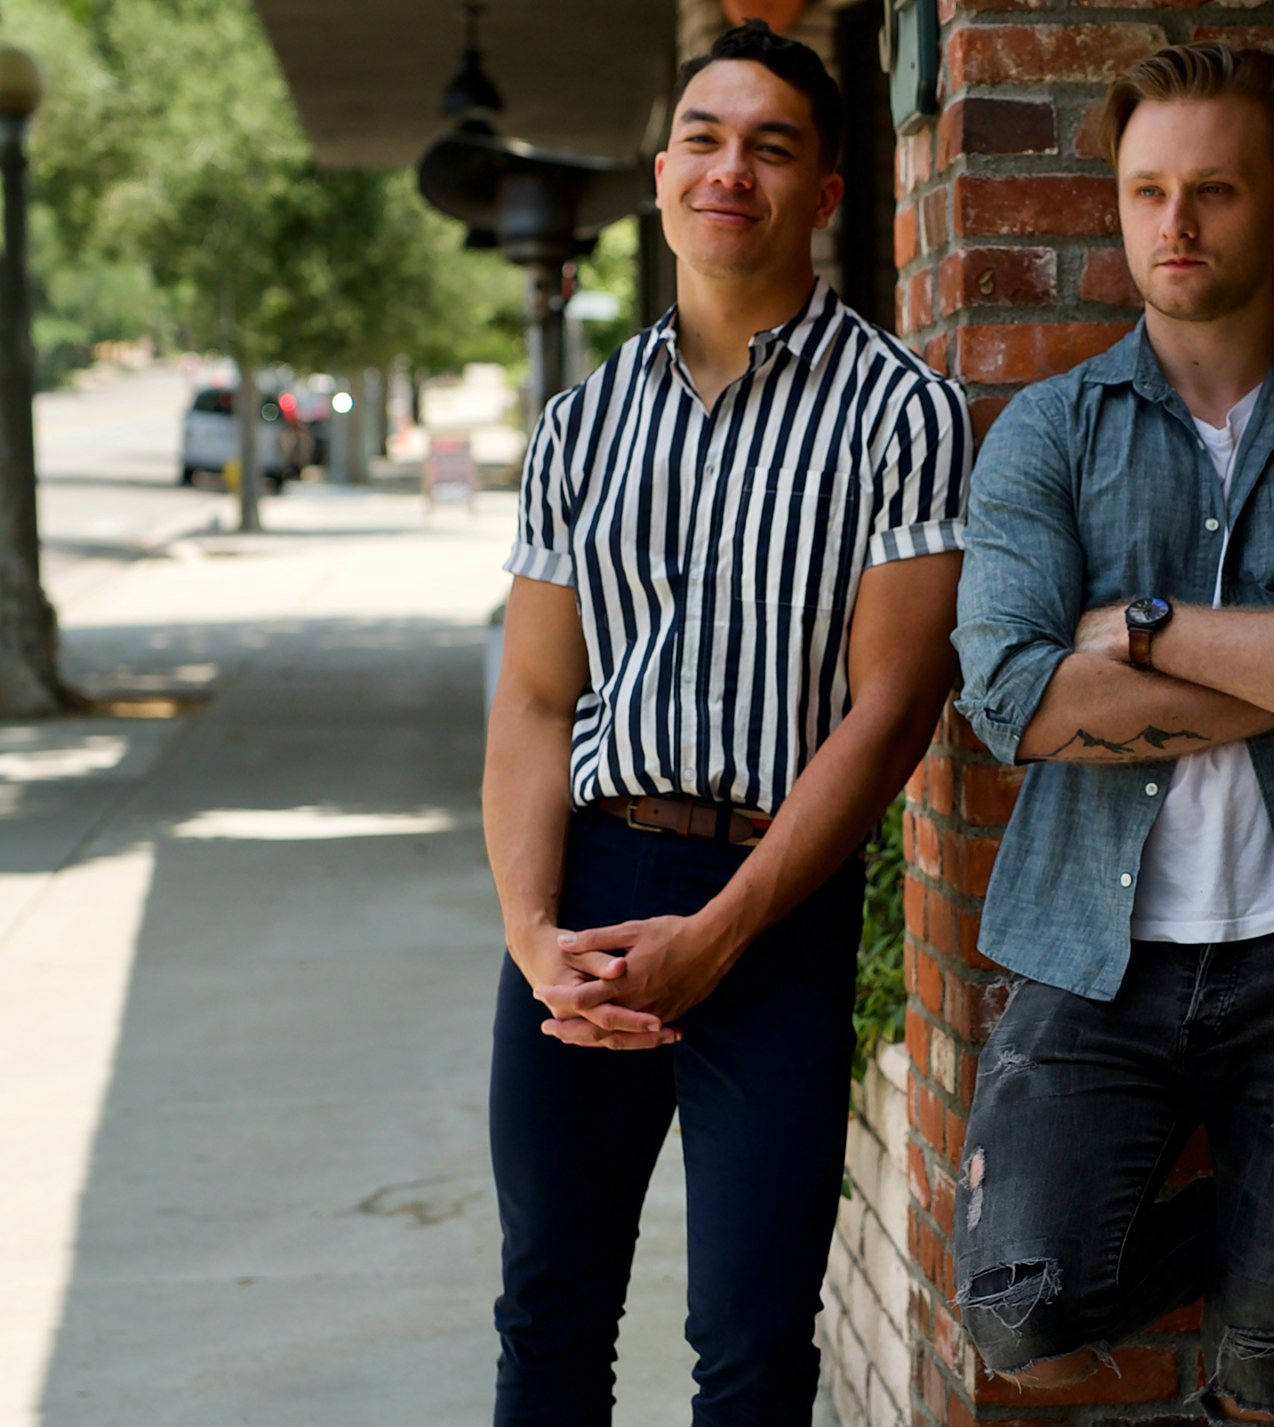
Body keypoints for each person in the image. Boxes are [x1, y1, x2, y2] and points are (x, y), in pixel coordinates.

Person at [947, 41, 1274, 1425]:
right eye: (1147, 193)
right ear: (1117, 209)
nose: (1175, 227)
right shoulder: (1046, 435)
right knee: (1021, 1311)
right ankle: (1253, 1238)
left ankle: (1269, 1299)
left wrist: (1135, 625)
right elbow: (1021, 697)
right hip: (1090, 957)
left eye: (1215, 192)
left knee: (1268, 1380)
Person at [480, 22, 969, 1426]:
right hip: (584, 889)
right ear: (660, 171)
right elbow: (531, 695)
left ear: (827, 192)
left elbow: (891, 710)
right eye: (704, 137)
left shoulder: (902, 414)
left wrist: (722, 933)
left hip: (774, 903)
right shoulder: (582, 427)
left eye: (771, 146)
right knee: (549, 1314)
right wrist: (531, 937)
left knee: (752, 1344)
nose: (729, 170)